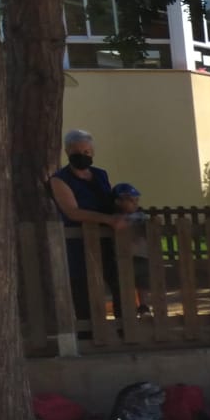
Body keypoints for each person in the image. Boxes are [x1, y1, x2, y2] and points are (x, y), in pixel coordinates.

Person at [49, 128, 128, 325]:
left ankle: (124, 326)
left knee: (119, 281)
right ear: (68, 152)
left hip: (107, 239)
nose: (82, 155)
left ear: (92, 152)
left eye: (86, 152)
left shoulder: (100, 175)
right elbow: (72, 212)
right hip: (78, 242)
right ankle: (87, 330)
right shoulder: (59, 180)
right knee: (83, 287)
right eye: (77, 152)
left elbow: (108, 201)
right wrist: (108, 219)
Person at [111, 183, 152, 317]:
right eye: (130, 200)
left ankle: (144, 305)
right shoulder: (114, 217)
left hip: (141, 254)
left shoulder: (140, 216)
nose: (135, 203)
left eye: (136, 200)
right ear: (118, 201)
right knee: (127, 281)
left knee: (143, 281)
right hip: (124, 256)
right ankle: (130, 307)